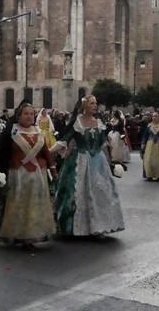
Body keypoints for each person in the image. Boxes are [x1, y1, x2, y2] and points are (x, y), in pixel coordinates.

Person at [0, 102, 57, 247]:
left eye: (31, 114)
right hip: (17, 175)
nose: (29, 116)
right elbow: (2, 151)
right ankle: (16, 234)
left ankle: (31, 235)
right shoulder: (12, 131)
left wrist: (53, 170)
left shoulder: (38, 131)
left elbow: (46, 153)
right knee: (16, 206)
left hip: (37, 176)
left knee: (34, 207)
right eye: (26, 114)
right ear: (19, 116)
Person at [53, 95, 125, 236]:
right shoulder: (77, 122)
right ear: (85, 106)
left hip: (98, 162)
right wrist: (48, 151)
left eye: (95, 103)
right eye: (92, 103)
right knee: (79, 193)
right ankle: (78, 227)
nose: (95, 106)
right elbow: (64, 140)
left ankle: (99, 226)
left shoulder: (99, 122)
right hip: (80, 160)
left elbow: (104, 144)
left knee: (100, 191)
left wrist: (111, 163)